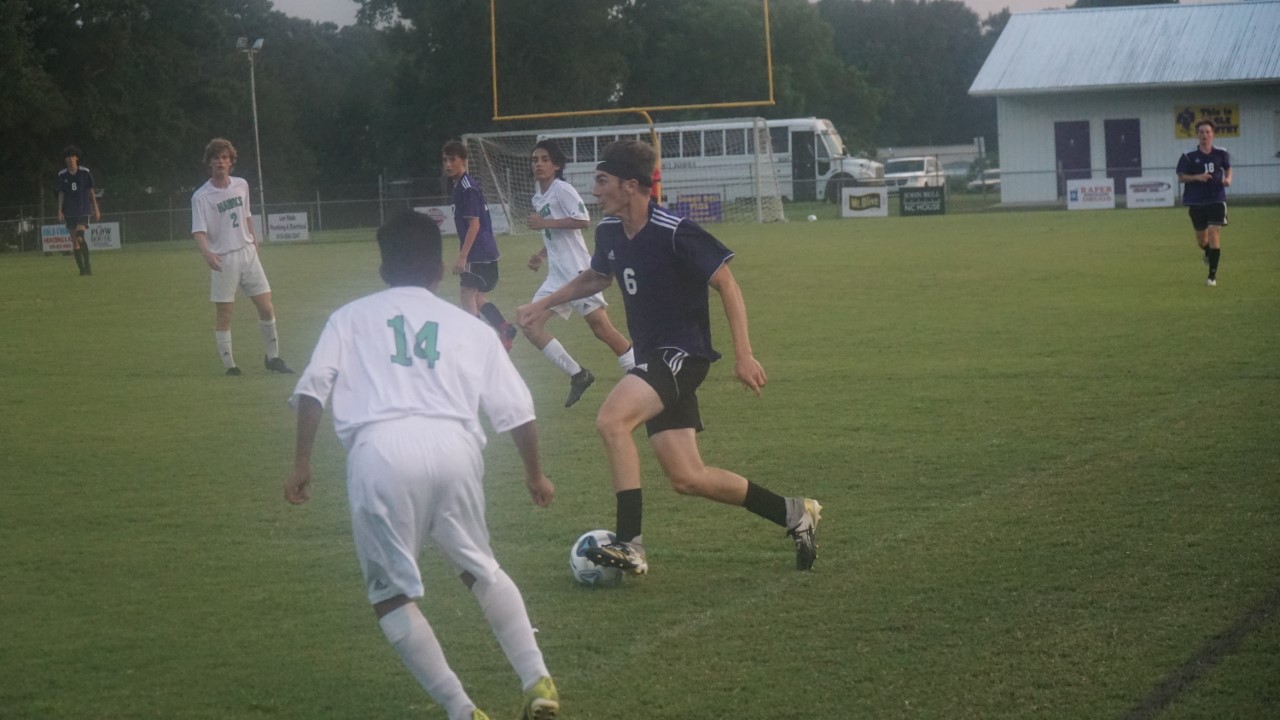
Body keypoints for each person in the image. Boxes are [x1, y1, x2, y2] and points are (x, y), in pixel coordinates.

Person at [284, 209, 560, 720]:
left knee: (390, 597)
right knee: (481, 568)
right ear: (437, 269)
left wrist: (301, 463)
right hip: (456, 448)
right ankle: (538, 682)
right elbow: (517, 410)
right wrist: (534, 473)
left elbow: (311, 390)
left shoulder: (349, 317)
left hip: (381, 451)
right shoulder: (469, 326)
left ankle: (462, 710)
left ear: (383, 269)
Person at [516, 139, 822, 575]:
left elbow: (727, 284)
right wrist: (542, 306)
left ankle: (631, 544)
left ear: (631, 186)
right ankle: (795, 513)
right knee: (687, 477)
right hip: (653, 358)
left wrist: (744, 354)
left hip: (682, 354)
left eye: (603, 182)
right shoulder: (608, 232)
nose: (595, 192)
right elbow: (595, 279)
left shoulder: (674, 230)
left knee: (611, 420)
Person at [522, 140, 635, 408]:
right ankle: (578, 374)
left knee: (602, 330)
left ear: (557, 165)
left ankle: (640, 371)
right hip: (556, 276)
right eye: (535, 159)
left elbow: (583, 220)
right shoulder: (539, 196)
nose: (538, 163)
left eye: (545, 159)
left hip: (578, 273)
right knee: (529, 322)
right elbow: (556, 234)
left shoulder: (563, 190)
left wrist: (544, 223)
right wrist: (541, 254)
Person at [190, 138, 293, 376]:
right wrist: (207, 254)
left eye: (225, 158)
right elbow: (198, 231)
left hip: (247, 254)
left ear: (231, 162)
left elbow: (246, 214)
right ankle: (231, 367)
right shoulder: (201, 196)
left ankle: (273, 357)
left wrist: (253, 238)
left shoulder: (241, 185)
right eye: (216, 158)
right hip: (223, 259)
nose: (221, 162)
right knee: (225, 313)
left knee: (266, 307)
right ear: (209, 163)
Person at [442, 140, 518, 351]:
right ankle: (504, 328)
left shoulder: (467, 188)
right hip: (484, 250)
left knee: (467, 294)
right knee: (477, 296)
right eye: (445, 160)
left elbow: (474, 225)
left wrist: (462, 256)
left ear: (464, 161)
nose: (447, 164)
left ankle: (479, 343)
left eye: (452, 159)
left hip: (478, 252)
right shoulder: (461, 185)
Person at [1176, 119, 1233, 287]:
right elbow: (1181, 177)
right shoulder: (1188, 156)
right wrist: (1197, 177)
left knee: (1214, 233)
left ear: (1213, 134)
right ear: (1197, 135)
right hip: (1196, 201)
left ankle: (1212, 277)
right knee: (1202, 241)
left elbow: (1228, 168)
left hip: (1216, 199)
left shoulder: (1221, 153)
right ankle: (1208, 252)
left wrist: (1228, 179)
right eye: (1201, 132)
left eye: (1207, 132)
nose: (1204, 135)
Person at [55, 145, 102, 276]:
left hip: (83, 209)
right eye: (67, 157)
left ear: (76, 158)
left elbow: (91, 191)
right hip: (69, 211)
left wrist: (96, 208)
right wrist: (59, 210)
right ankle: (81, 270)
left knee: (80, 237)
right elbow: (61, 194)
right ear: (65, 160)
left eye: (72, 156)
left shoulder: (84, 172)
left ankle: (88, 267)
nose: (70, 159)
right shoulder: (62, 175)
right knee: (74, 242)